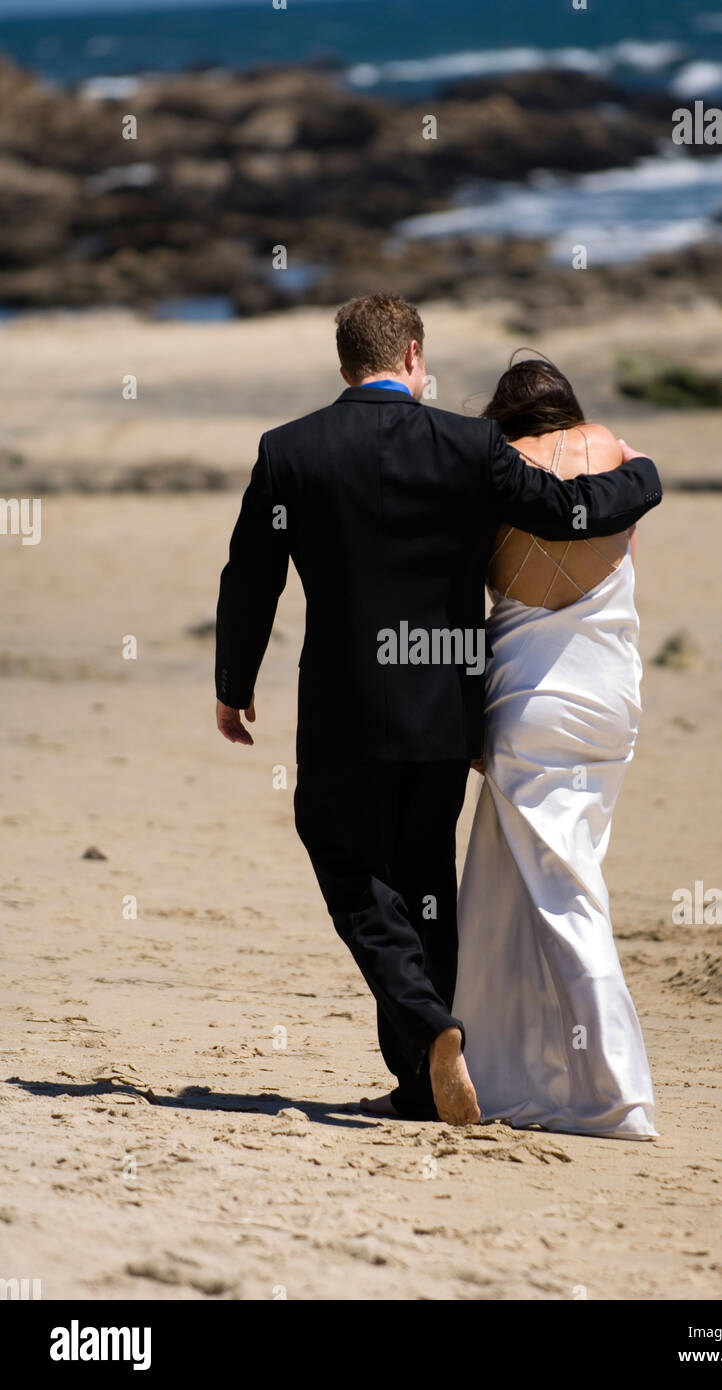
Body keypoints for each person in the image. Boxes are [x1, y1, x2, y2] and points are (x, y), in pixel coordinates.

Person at [214, 296, 661, 1126]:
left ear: (346, 364)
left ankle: (431, 1031)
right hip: (445, 704)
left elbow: (250, 576)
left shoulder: (290, 450)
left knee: (347, 863)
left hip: (345, 703)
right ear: (413, 356)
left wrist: (233, 683)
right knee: (424, 883)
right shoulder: (469, 446)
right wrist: (644, 475)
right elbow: (567, 511)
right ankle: (422, 1086)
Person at [453, 357, 658, 1138]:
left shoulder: (495, 477)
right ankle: (512, 1075)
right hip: (609, 695)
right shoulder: (617, 454)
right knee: (515, 889)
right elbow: (629, 531)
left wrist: (463, 718)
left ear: (505, 420)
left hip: (532, 698)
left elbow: (462, 605)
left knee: (563, 892)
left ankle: (616, 1094)